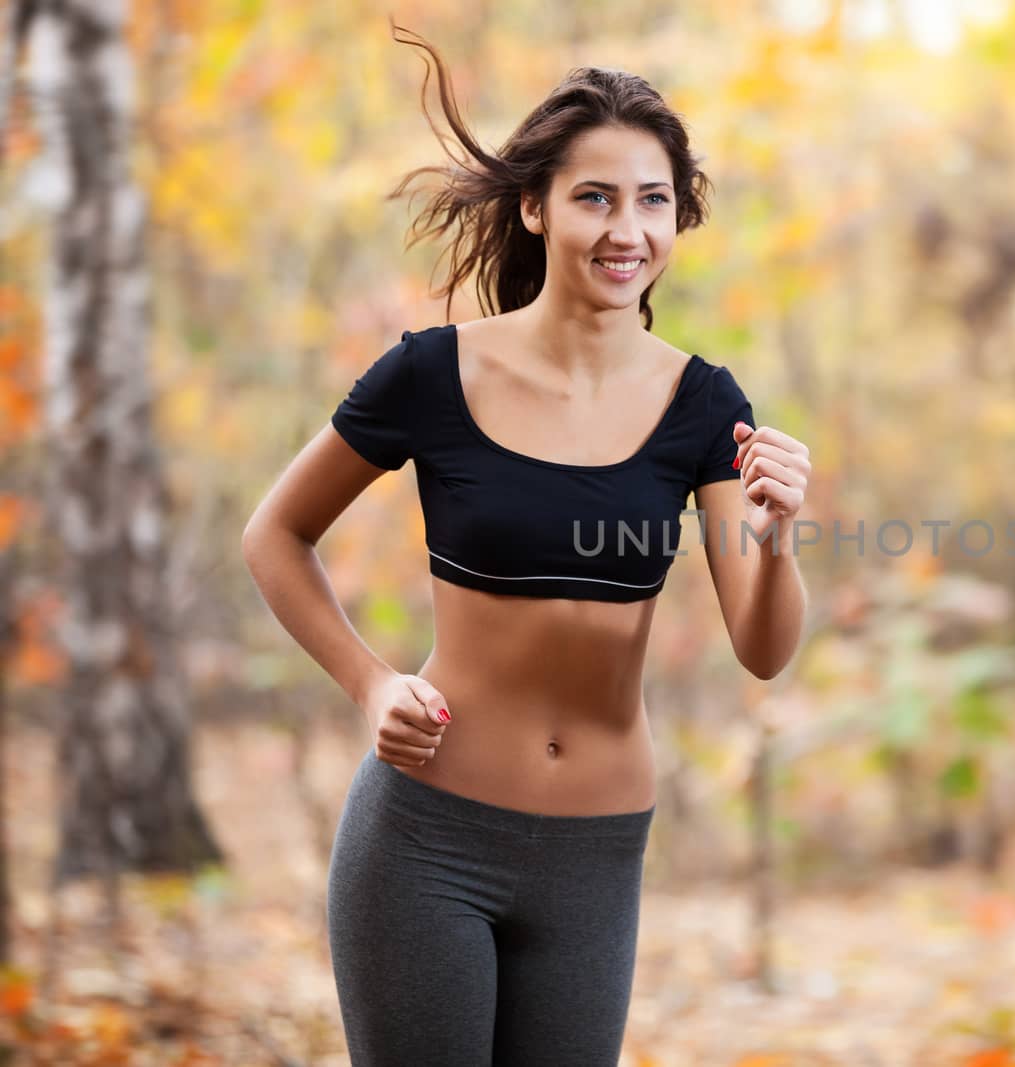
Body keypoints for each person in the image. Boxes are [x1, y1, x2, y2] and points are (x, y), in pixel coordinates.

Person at [240, 25, 809, 1067]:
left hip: (596, 851)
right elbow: (275, 532)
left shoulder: (704, 406)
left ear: (679, 216)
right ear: (536, 206)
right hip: (425, 837)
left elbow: (762, 647)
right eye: (595, 196)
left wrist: (774, 542)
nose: (624, 228)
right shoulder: (430, 375)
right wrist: (370, 683)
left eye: (651, 199)